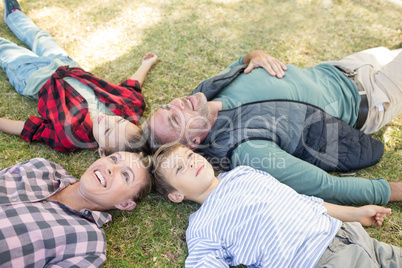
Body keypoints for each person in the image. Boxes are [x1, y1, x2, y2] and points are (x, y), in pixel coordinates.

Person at [144, 47, 402, 205]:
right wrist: (391, 190)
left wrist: (254, 55)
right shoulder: (248, 149)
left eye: (168, 106)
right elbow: (326, 187)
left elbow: (241, 62)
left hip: (342, 66)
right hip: (373, 95)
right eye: (175, 119)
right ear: (193, 143)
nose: (177, 103)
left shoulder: (205, 92)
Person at [151, 143, 401, 268]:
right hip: (317, 260)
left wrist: (355, 214)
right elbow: (203, 262)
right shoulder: (201, 226)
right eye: (180, 168)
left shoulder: (244, 173)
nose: (192, 163)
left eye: (190, 156)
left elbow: (301, 201)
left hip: (348, 234)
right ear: (176, 195)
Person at [0, 0, 158, 155]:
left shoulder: (71, 137)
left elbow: (30, 128)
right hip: (67, 65)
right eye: (119, 121)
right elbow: (132, 86)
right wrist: (146, 64)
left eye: (107, 131)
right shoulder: (128, 108)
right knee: (40, 37)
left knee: (6, 49)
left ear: (101, 151)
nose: (108, 120)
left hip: (35, 79)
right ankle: (15, 16)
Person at [0, 151, 152, 267]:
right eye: (113, 159)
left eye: (125, 175)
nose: (111, 168)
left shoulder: (89, 244)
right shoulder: (42, 167)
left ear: (125, 204)